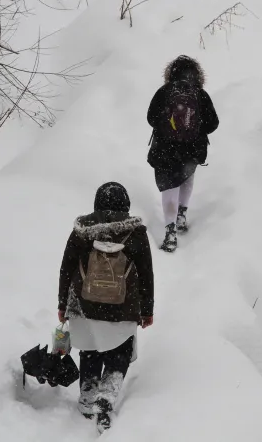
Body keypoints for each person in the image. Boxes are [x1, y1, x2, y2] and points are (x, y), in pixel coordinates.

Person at [57, 182, 154, 433]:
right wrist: (147, 310)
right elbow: (146, 274)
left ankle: (88, 395)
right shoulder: (136, 232)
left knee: (90, 349)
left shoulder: (82, 230)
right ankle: (107, 396)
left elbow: (67, 268)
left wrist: (61, 305)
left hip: (83, 304)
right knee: (120, 351)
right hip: (123, 306)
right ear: (126, 204)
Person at [146, 55, 219, 252]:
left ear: (171, 73)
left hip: (164, 150)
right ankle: (181, 215)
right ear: (197, 74)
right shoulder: (200, 94)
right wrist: (194, 130)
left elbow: (151, 118)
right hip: (191, 150)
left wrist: (167, 128)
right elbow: (213, 123)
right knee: (186, 177)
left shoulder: (164, 92)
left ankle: (170, 232)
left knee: (169, 187)